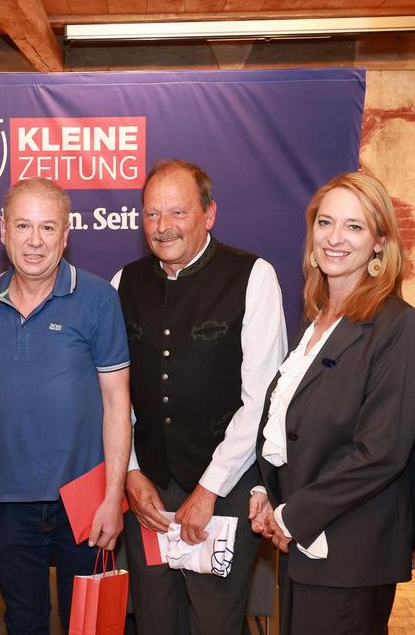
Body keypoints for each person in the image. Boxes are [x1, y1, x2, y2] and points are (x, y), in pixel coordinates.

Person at [250, 172, 415, 635]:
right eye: (325, 223)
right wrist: (265, 492)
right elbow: (289, 427)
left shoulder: (399, 327)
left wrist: (292, 515)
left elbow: (382, 452)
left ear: (379, 243)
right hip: (302, 546)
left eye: (354, 226)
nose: (335, 238)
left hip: (350, 552)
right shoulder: (317, 322)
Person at [113, 159, 287, 634]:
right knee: (154, 619)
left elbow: (264, 398)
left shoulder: (253, 276)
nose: (162, 227)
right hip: (147, 493)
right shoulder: (122, 283)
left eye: (177, 212)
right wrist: (129, 473)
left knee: (214, 621)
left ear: (209, 213)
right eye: (151, 214)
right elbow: (114, 398)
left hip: (224, 489)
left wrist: (209, 489)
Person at [0, 177, 131, 635]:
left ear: (66, 233)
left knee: (90, 626)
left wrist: (113, 497)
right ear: (2, 231)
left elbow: (118, 401)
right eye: (22, 226)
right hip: (7, 501)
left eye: (47, 227)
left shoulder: (98, 298)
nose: (34, 241)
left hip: (85, 500)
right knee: (24, 622)